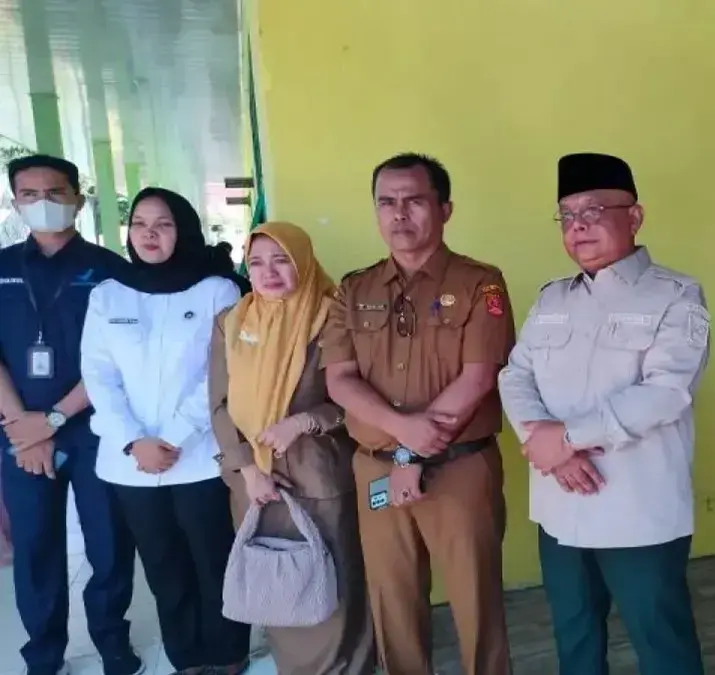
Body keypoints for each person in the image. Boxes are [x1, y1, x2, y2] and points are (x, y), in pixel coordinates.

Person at [498, 152, 709, 675]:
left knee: (662, 643)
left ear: (635, 217)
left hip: (636, 509)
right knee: (575, 638)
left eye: (593, 211)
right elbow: (515, 376)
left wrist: (566, 439)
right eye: (567, 215)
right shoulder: (552, 299)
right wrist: (548, 445)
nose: (578, 226)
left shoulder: (676, 295)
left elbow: (666, 391)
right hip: (559, 505)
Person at [321, 153, 514, 675]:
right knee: (393, 598)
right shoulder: (354, 289)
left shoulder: (481, 283)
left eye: (414, 201)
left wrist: (410, 454)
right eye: (387, 202)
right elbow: (339, 380)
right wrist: (403, 437)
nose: (399, 213)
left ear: (444, 209)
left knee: (476, 599)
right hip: (376, 468)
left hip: (460, 467)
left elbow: (478, 377)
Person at [80, 187, 251, 675]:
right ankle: (186, 656)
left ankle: (228, 652)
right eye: (139, 224)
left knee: (213, 558)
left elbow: (221, 373)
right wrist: (134, 440)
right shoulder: (108, 293)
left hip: (199, 456)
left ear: (185, 229)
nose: (149, 234)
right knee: (162, 565)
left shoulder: (218, 290)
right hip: (131, 462)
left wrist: (173, 436)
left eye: (163, 224)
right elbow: (98, 374)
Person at [210, 221, 375, 675]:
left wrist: (305, 421)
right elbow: (218, 404)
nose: (268, 272)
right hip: (254, 484)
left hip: (318, 477)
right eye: (256, 262)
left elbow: (358, 396)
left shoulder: (332, 316)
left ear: (303, 261)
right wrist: (248, 470)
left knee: (334, 582)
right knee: (279, 586)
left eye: (281, 259)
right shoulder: (231, 322)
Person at [0, 154, 142, 675]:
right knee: (35, 546)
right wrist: (23, 427)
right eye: (30, 194)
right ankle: (43, 653)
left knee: (109, 543)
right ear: (16, 202)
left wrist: (53, 420)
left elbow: (120, 358)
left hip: (95, 430)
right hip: (20, 432)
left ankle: (111, 640)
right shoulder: (1, 268)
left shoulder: (111, 270)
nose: (44, 203)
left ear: (78, 200)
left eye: (56, 192)